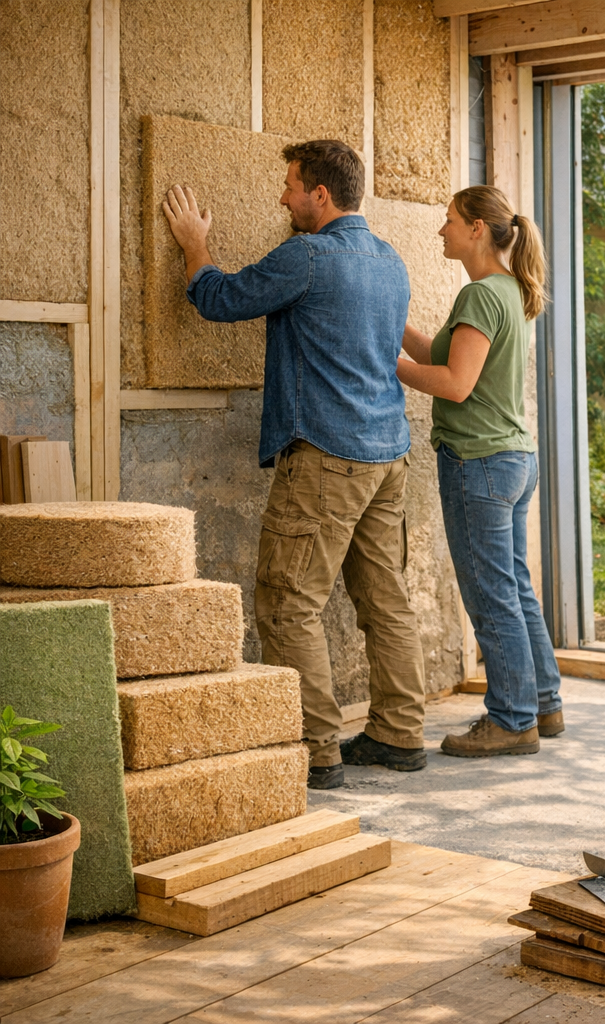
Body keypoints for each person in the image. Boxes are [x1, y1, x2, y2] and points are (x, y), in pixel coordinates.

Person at [162, 140, 427, 789]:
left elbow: (220, 299)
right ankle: (399, 735)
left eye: (290, 186)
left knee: (288, 603)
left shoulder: (307, 256)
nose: (282, 198)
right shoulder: (390, 261)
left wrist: (195, 245)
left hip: (328, 458)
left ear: (321, 194)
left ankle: (315, 749)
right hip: (387, 455)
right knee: (387, 603)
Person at [397, 185, 563, 757]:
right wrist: (390, 327)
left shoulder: (479, 297)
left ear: (475, 228)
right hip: (513, 460)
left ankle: (512, 720)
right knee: (514, 587)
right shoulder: (506, 291)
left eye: (448, 221)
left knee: (492, 597)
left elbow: (454, 383)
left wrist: (387, 365)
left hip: (479, 463)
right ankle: (543, 702)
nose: (440, 231)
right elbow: (445, 358)